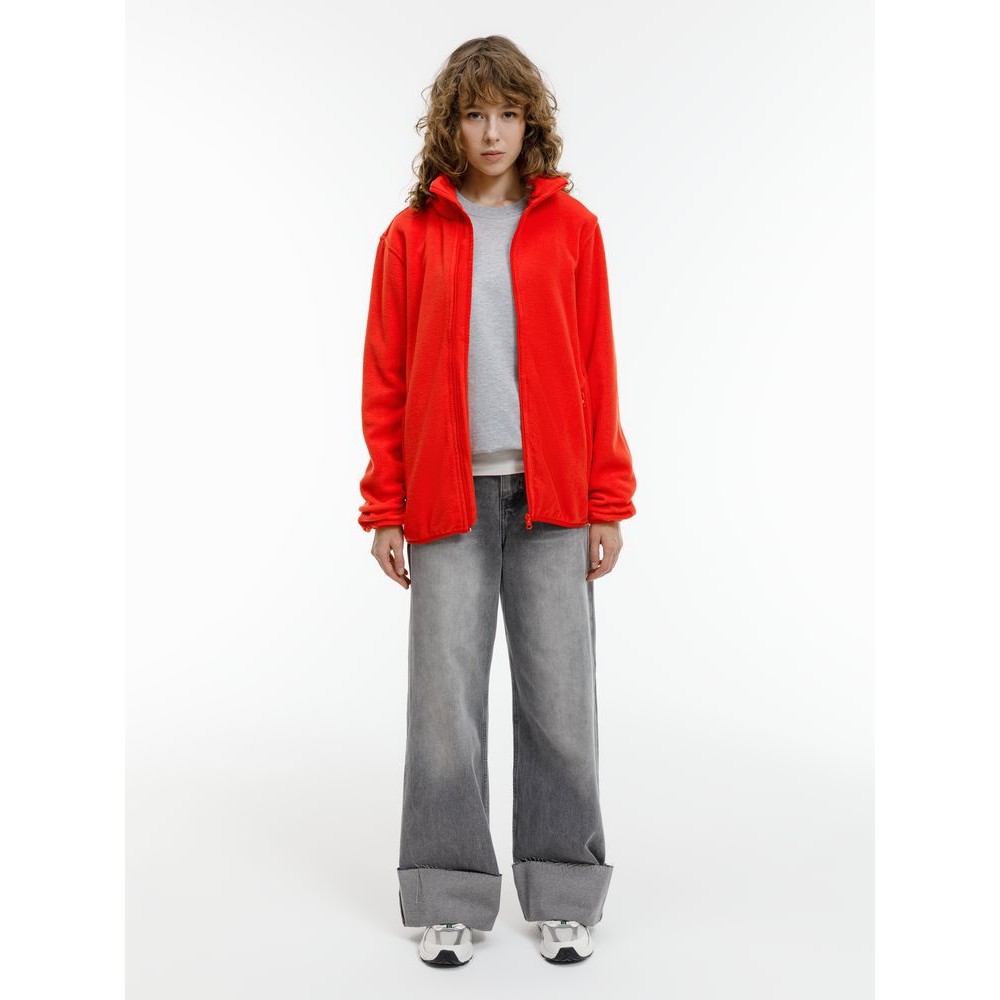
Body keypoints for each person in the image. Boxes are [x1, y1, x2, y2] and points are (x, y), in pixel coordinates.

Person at [357, 35, 637, 967]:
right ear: (451, 122)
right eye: (475, 113)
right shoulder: (410, 237)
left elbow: (597, 367)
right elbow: (386, 379)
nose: (491, 132)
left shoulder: (572, 229)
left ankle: (564, 889)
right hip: (447, 498)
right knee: (445, 708)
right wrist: (384, 506)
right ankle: (446, 895)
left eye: (507, 114)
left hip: (554, 499)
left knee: (561, 702)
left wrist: (606, 501)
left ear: (529, 122)